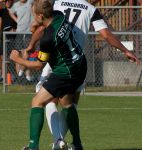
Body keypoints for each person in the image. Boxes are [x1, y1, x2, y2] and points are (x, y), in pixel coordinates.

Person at [23, 0, 141, 149]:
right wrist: (125, 51)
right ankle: (73, 143)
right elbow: (105, 35)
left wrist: (29, 47)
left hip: (57, 61)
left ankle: (57, 141)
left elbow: (41, 30)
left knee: (45, 101)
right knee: (68, 102)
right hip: (78, 61)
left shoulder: (58, 5)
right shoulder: (90, 9)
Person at [10, 0, 87, 150]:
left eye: (34, 16)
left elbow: (39, 65)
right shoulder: (60, 15)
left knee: (37, 102)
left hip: (65, 72)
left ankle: (33, 146)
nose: (33, 19)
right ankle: (77, 144)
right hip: (79, 64)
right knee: (67, 103)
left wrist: (17, 59)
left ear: (40, 15)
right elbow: (43, 28)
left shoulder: (48, 38)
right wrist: (35, 32)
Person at [9, 0, 34, 82]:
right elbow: (10, 12)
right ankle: (20, 77)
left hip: (29, 32)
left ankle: (27, 75)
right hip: (19, 31)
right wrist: (17, 20)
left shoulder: (30, 2)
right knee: (17, 53)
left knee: (27, 53)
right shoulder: (15, 5)